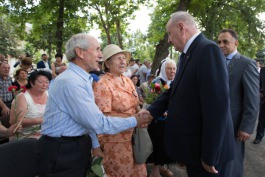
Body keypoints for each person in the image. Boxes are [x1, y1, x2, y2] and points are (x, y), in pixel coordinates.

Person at [36, 33, 151, 177]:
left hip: (75, 145)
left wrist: (95, 145)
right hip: (62, 150)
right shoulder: (71, 82)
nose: (100, 55)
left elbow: (86, 120)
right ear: (80, 52)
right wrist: (136, 120)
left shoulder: (83, 79)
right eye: (97, 49)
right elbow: (97, 122)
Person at [140, 11, 235, 177]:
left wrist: (210, 155)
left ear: (181, 27)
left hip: (207, 156)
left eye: (170, 33)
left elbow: (217, 108)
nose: (169, 39)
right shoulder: (188, 54)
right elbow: (175, 90)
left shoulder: (208, 50)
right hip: (194, 149)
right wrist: (151, 111)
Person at [93, 44, 147, 177]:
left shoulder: (127, 81)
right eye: (118, 58)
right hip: (114, 141)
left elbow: (136, 105)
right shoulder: (103, 84)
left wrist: (141, 113)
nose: (123, 61)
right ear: (107, 63)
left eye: (124, 58)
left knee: (139, 172)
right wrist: (135, 119)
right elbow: (103, 119)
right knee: (120, 173)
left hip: (135, 137)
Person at [217, 29, 259, 177]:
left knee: (232, 165)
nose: (221, 45)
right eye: (219, 42)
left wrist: (246, 127)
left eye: (225, 42)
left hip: (235, 127)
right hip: (217, 125)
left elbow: (253, 99)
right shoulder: (216, 62)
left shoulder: (246, 64)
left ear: (236, 43)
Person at [146, 59, 176, 177]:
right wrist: (167, 114)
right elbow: (154, 103)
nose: (172, 71)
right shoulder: (157, 82)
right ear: (164, 69)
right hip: (158, 122)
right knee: (158, 145)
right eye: (169, 68)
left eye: (174, 69)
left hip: (169, 122)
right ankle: (155, 171)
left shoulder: (174, 82)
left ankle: (162, 167)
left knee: (166, 146)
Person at [10, 70, 52, 140]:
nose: (44, 85)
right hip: (26, 136)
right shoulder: (22, 97)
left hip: (46, 133)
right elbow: (16, 121)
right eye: (41, 82)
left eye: (47, 82)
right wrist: (39, 120)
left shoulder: (49, 94)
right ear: (32, 83)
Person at [254, 65, 265, 144]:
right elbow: (260, 81)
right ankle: (259, 136)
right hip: (264, 99)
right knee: (262, 119)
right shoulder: (263, 70)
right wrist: (260, 91)